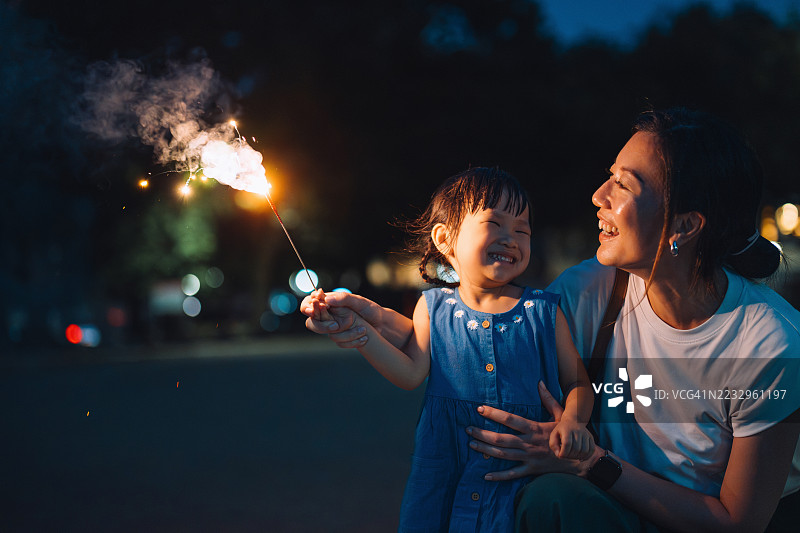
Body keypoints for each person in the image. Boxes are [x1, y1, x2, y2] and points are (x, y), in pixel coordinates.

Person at [303, 108, 800, 532]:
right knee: (548, 498)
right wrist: (362, 318)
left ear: (685, 225)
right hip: (620, 513)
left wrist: (590, 462)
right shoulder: (588, 292)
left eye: (623, 185)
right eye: (608, 175)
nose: (598, 195)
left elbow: (737, 522)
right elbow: (464, 333)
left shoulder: (769, 345)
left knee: (555, 492)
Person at [304, 167, 595, 532]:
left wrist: (573, 421)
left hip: (520, 477)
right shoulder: (432, 307)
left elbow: (578, 381)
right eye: (495, 224)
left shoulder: (544, 311)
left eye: (522, 230)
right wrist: (360, 330)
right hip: (445, 474)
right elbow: (410, 372)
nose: (511, 239)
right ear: (445, 238)